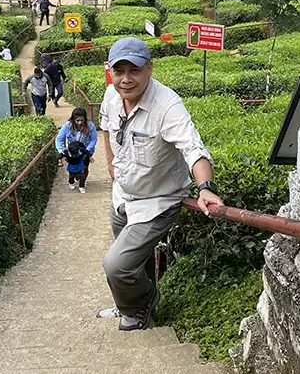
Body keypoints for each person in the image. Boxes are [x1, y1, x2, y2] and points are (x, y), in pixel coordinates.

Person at [97, 37, 223, 331]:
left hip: (156, 202)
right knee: (134, 262)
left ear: (149, 69)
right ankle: (139, 307)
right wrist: (110, 167)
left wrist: (205, 189)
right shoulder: (110, 96)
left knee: (118, 266)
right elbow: (105, 126)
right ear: (110, 72)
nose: (126, 79)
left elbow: (194, 149)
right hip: (122, 198)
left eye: (134, 71)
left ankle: (137, 306)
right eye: (119, 71)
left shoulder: (167, 105)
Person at [55, 107, 98, 194]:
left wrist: (87, 151)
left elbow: (93, 139)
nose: (80, 123)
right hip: (72, 151)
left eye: (82, 120)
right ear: (73, 119)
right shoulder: (67, 125)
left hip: (85, 149)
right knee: (73, 167)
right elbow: (59, 139)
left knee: (84, 167)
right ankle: (74, 178)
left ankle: (82, 183)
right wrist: (61, 150)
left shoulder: (90, 126)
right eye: (77, 120)